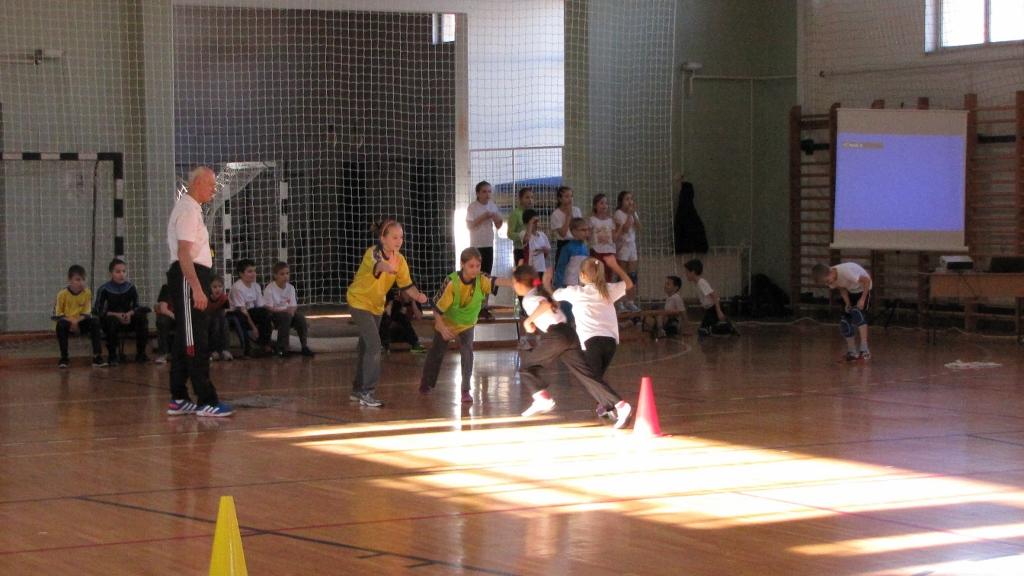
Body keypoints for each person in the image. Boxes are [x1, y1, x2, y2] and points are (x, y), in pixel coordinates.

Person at [514, 264, 632, 429]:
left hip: (557, 335)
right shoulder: (538, 293)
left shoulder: (529, 298)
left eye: (513, 283)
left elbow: (545, 305)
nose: (513, 286)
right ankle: (621, 405)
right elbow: (550, 305)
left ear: (520, 284)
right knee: (587, 376)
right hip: (569, 334)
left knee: (526, 366)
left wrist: (528, 321)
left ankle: (542, 398)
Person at [166, 166, 233, 417]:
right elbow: (184, 253)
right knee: (196, 339)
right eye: (211, 184)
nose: (214, 190)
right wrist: (196, 288)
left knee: (185, 338)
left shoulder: (193, 209)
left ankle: (179, 397)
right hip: (189, 276)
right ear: (196, 183)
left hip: (194, 275)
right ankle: (206, 400)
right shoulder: (187, 209)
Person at [347, 219, 428, 407]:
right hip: (359, 302)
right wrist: (385, 266)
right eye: (394, 237)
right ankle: (367, 392)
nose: (399, 241)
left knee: (366, 347)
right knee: (375, 346)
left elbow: (407, 285)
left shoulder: (400, 260)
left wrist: (418, 296)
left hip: (376, 306)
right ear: (383, 239)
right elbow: (377, 265)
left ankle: (357, 390)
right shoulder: (373, 252)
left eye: (401, 237)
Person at [419, 248, 513, 404]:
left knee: (467, 353)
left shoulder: (482, 279)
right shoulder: (452, 282)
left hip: (467, 324)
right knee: (436, 353)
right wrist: (441, 327)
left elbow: (498, 281)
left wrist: (514, 283)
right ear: (462, 264)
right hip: (447, 323)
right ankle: (426, 382)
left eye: (478, 266)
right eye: (471, 266)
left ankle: (465, 390)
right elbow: (436, 308)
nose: (475, 269)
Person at [813, 262, 873, 361]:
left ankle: (865, 350)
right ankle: (852, 352)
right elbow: (842, 288)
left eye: (827, 281)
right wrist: (847, 303)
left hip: (863, 289)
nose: (828, 284)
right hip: (851, 291)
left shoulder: (847, 272)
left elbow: (867, 280)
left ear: (831, 272)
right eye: (825, 283)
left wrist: (862, 299)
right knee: (845, 322)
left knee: (858, 314)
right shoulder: (832, 281)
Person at [94, 258, 150, 365]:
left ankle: (141, 354)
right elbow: (98, 310)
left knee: (142, 319)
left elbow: (136, 306)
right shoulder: (104, 289)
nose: (122, 274)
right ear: (111, 273)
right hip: (111, 320)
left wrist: (129, 314)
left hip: (128, 319)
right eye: (118, 272)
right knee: (111, 321)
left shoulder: (131, 287)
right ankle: (112, 356)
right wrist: (117, 315)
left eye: (124, 271)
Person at [465, 180, 503, 321]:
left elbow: (498, 225)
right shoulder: (472, 207)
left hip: (488, 245)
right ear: (478, 193)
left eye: (489, 191)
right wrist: (483, 217)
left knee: (486, 277)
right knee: (475, 277)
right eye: (484, 191)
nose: (487, 194)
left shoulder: (492, 205)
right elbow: (469, 226)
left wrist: (497, 218)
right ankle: (473, 306)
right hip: (476, 247)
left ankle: (484, 307)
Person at [54, 264, 104, 368]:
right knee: (60, 325)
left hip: (81, 321)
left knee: (95, 322)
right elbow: (58, 315)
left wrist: (77, 321)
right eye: (77, 279)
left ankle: (97, 357)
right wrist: (72, 321)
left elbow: (87, 313)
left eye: (83, 279)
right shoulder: (62, 294)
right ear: (69, 280)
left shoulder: (87, 293)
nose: (81, 282)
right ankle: (64, 358)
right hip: (67, 322)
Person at [263, 261, 314, 358]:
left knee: (300, 318)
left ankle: (304, 346)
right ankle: (282, 348)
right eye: (282, 274)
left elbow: (293, 305)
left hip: (288, 314)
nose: (285, 276)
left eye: (287, 273)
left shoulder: (291, 288)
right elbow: (269, 308)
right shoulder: (269, 289)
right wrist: (285, 311)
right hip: (275, 315)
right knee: (285, 317)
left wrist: (292, 312)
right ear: (275, 275)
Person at [229, 259, 272, 357]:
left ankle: (265, 344)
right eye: (250, 271)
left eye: (254, 271)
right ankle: (247, 349)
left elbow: (260, 306)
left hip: (250, 312)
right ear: (241, 274)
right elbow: (243, 310)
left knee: (265, 313)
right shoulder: (237, 288)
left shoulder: (256, 286)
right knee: (242, 317)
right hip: (238, 314)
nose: (253, 274)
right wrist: (253, 327)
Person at [551, 217, 591, 323]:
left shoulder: (585, 248)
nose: (586, 233)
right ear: (573, 231)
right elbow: (560, 268)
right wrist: (558, 287)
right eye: (583, 230)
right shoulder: (567, 248)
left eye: (587, 230)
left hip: (581, 287)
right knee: (567, 315)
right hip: (568, 286)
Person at [684, 259, 728, 339]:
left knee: (704, 330)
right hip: (710, 310)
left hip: (714, 309)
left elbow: (714, 296)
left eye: (687, 272)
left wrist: (719, 311)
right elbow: (702, 299)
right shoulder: (697, 283)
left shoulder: (701, 282)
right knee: (702, 330)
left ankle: (728, 327)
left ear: (693, 272)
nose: (685, 274)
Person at [613, 190, 641, 312]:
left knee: (632, 275)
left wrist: (633, 213)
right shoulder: (618, 213)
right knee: (622, 275)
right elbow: (625, 229)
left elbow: (639, 227)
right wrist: (629, 214)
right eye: (627, 199)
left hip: (632, 246)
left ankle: (630, 301)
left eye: (631, 199)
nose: (630, 202)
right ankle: (620, 302)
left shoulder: (633, 213)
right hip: (623, 246)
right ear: (621, 201)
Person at [380, 289, 425, 353]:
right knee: (400, 316)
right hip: (390, 334)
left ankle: (415, 344)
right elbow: (387, 320)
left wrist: (413, 302)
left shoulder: (413, 301)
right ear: (401, 292)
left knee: (402, 318)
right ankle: (384, 345)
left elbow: (419, 317)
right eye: (406, 292)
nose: (409, 294)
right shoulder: (395, 303)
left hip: (404, 335)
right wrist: (392, 304)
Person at [589, 193, 618, 282]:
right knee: (597, 274)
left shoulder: (611, 221)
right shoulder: (592, 220)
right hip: (596, 251)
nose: (604, 205)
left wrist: (620, 226)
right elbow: (588, 236)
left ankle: (607, 290)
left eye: (606, 203)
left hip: (609, 251)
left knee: (608, 275)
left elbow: (614, 238)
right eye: (601, 203)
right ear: (595, 206)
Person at [549, 185, 582, 258]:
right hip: (564, 244)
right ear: (560, 199)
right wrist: (568, 216)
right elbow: (563, 234)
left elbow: (579, 229)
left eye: (571, 196)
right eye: (567, 196)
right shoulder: (555, 214)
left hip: (577, 242)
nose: (570, 199)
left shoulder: (576, 210)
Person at [207, 276, 233, 361]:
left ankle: (225, 350)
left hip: (218, 318)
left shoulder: (224, 298)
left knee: (224, 322)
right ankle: (213, 350)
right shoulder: (206, 298)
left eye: (220, 286)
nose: (218, 289)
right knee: (215, 322)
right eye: (214, 287)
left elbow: (224, 312)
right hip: (207, 319)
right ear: (209, 288)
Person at [507, 187, 534, 266]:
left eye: (532, 197)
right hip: (520, 250)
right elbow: (510, 234)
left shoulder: (532, 213)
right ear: (520, 199)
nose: (530, 200)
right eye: (527, 197)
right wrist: (522, 236)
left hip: (532, 250)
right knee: (522, 273)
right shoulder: (515, 214)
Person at [519, 208, 551, 274]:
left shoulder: (542, 235)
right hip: (529, 269)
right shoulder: (523, 233)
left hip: (541, 268)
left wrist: (543, 250)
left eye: (537, 221)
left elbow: (548, 250)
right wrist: (531, 223)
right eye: (534, 222)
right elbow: (526, 240)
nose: (536, 224)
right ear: (526, 223)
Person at [154, 283, 175, 364]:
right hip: (172, 316)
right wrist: (175, 316)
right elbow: (163, 309)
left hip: (187, 317)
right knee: (162, 320)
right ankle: (163, 353)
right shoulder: (166, 288)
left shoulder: (191, 287)